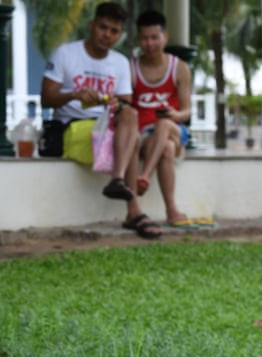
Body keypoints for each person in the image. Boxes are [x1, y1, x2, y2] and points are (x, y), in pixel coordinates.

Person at [41, 2, 162, 239]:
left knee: (130, 115)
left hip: (107, 123)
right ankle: (133, 210)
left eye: (114, 31)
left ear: (120, 34)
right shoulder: (66, 53)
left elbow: (126, 103)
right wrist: (74, 95)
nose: (107, 35)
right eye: (103, 28)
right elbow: (46, 98)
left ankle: (118, 181)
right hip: (71, 125)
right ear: (91, 25)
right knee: (132, 139)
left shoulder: (120, 62)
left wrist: (114, 103)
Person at [130, 9, 196, 229]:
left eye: (154, 38)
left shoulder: (180, 68)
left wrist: (174, 115)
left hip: (175, 129)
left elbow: (186, 112)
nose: (149, 44)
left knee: (165, 124)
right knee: (165, 148)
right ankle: (171, 209)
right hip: (145, 135)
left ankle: (145, 174)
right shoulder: (131, 69)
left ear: (165, 37)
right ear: (138, 39)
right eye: (144, 38)